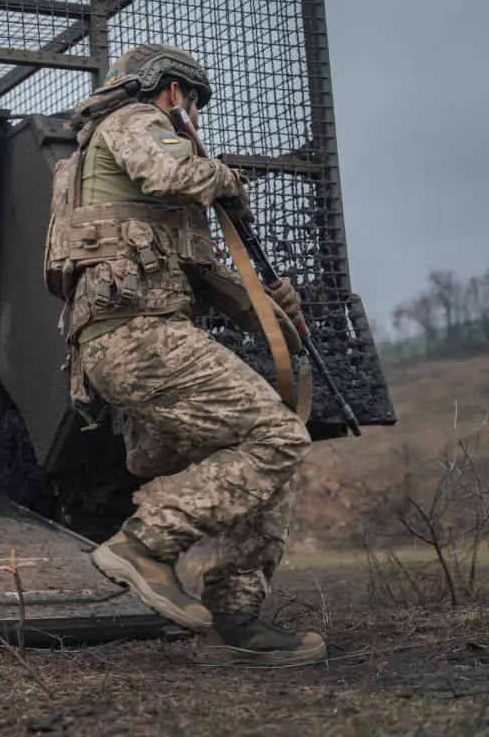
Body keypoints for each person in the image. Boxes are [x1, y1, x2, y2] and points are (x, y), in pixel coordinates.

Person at [47, 43, 324, 666]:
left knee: (268, 453)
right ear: (173, 91)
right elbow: (177, 174)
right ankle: (145, 544)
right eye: (192, 103)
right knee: (278, 437)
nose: (192, 116)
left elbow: (201, 274)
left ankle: (235, 619)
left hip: (127, 345)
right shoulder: (137, 121)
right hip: (139, 337)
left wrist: (277, 311)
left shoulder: (103, 166)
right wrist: (228, 179)